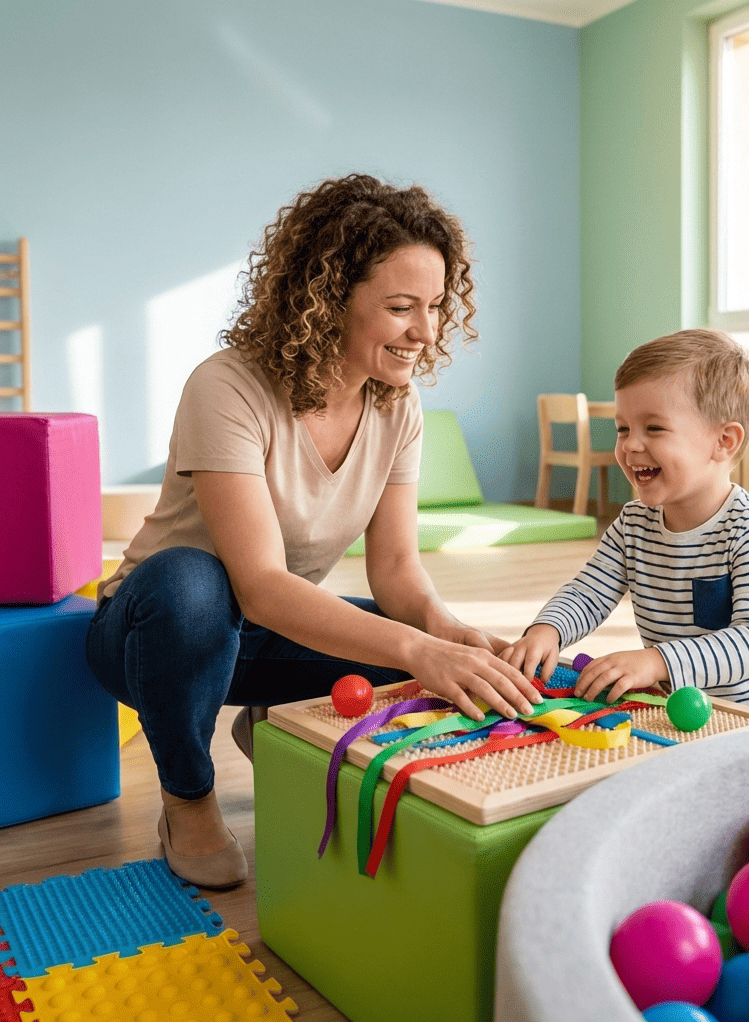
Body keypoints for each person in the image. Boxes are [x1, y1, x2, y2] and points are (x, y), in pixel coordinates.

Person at [87, 174, 541, 890]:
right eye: (400, 308)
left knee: (417, 665)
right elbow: (262, 586)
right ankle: (188, 796)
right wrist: (420, 649)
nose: (425, 333)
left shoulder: (398, 407)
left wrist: (446, 634)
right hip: (154, 634)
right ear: (328, 299)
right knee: (193, 583)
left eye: (434, 307)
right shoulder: (228, 386)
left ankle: (275, 729)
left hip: (256, 640)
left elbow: (395, 571)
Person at [501, 329, 749, 716]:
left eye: (654, 428)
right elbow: (588, 592)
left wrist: (656, 662)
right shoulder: (633, 524)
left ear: (724, 441)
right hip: (682, 720)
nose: (629, 444)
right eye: (623, 428)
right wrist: (548, 630)